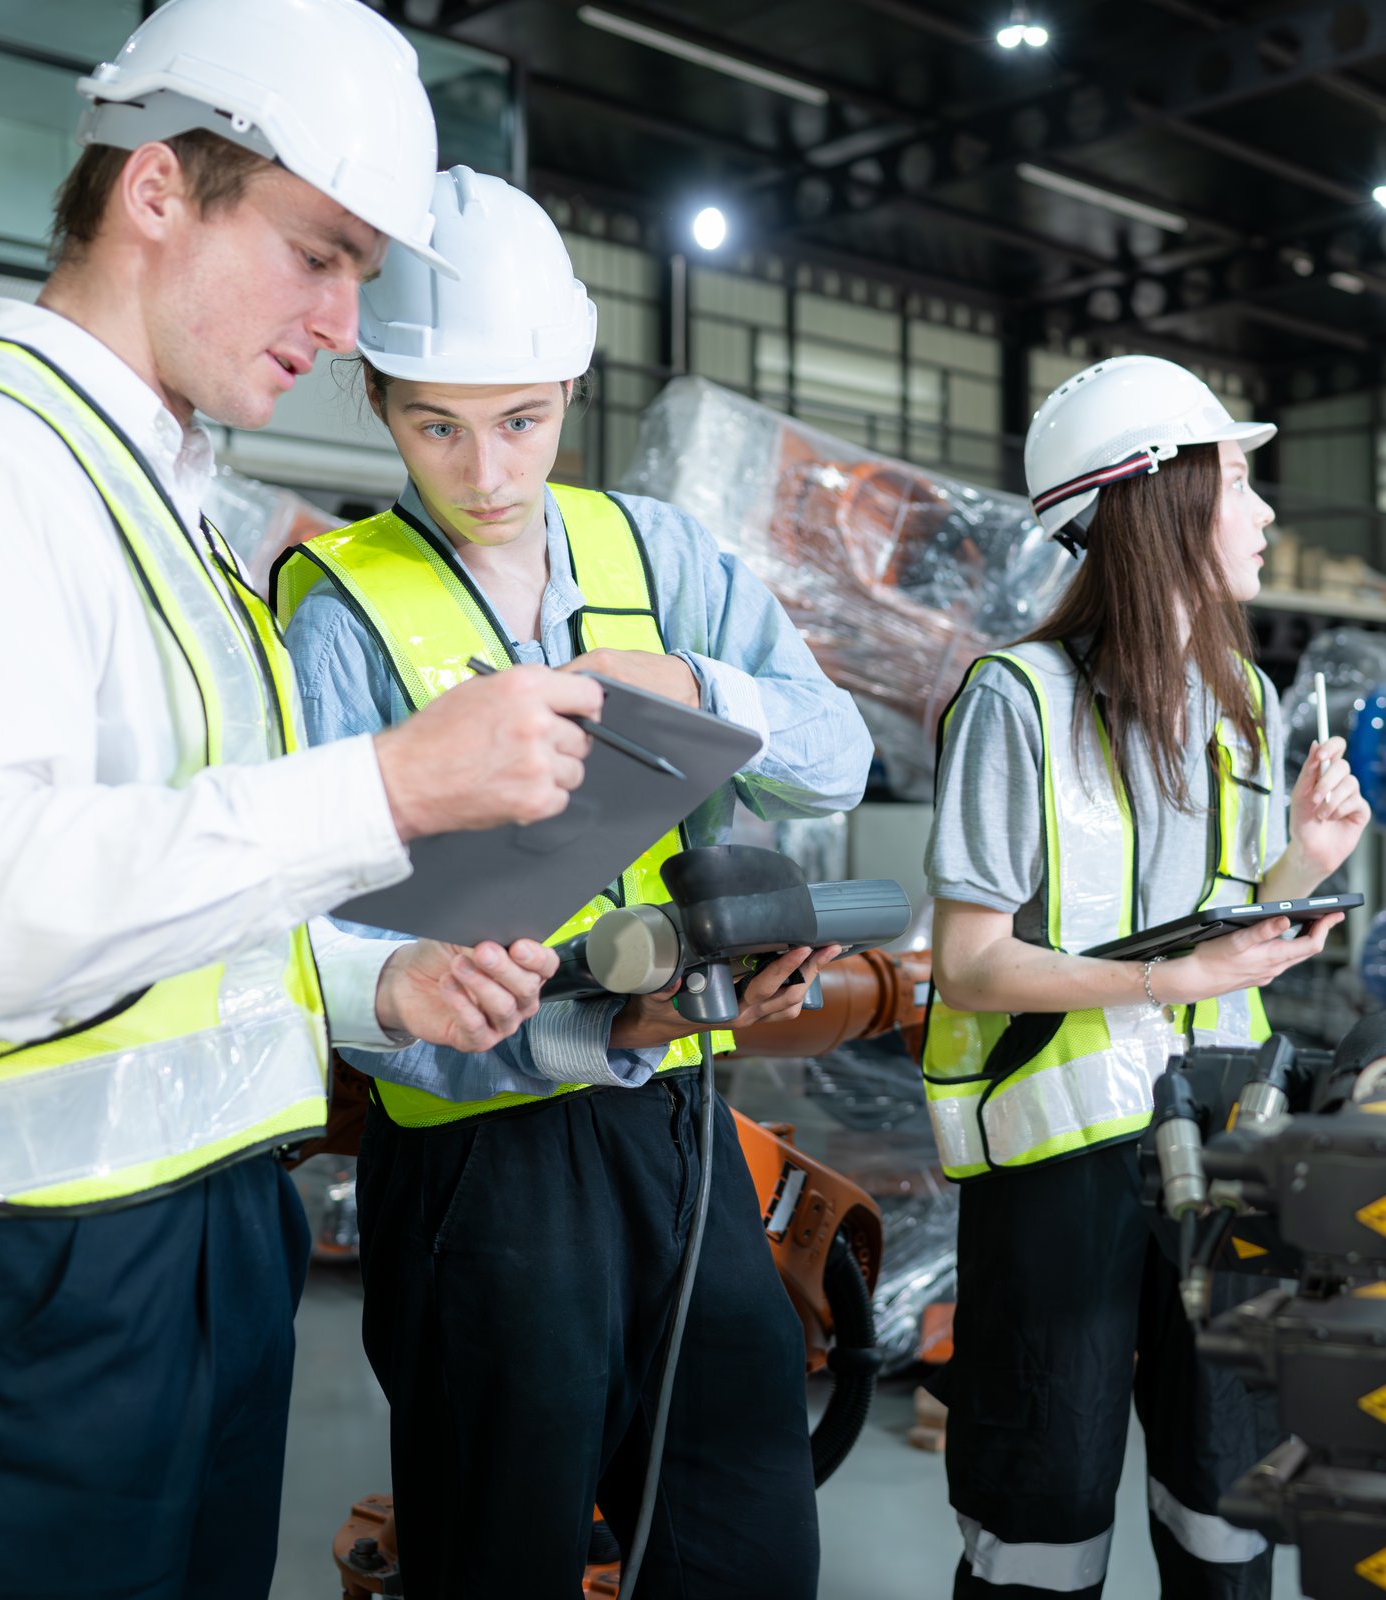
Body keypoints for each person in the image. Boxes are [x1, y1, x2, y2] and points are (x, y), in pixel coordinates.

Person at [0, 3, 602, 1595]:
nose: (343, 326)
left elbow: (174, 898)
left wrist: (372, 976)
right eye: (318, 254)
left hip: (198, 1252)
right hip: (10, 1271)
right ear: (154, 193)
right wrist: (391, 784)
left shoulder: (172, 517)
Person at [276, 166, 872, 1598]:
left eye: (523, 422)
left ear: (571, 384)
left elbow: (836, 759)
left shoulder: (656, 556)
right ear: (375, 396)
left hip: (676, 1132)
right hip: (480, 1169)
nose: (486, 472)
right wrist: (587, 1026)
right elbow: (334, 957)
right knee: (501, 1558)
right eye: (439, 425)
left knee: (742, 1539)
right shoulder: (340, 609)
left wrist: (689, 683)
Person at [921, 355, 1371, 1598]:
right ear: (1160, 500)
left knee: (1227, 1505)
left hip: (1220, 1156)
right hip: (1058, 1178)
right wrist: (1168, 987)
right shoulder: (1016, 701)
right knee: (1042, 1521)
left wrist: (1307, 866)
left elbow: (1225, 935)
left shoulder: (1245, 702)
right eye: (1239, 478)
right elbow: (967, 962)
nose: (1267, 512)